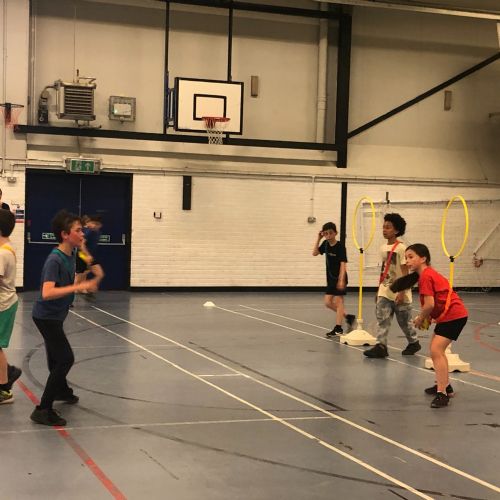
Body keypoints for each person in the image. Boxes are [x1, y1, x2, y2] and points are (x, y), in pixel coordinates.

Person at [30, 210, 101, 426]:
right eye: (78, 230)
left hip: (56, 315)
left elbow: (88, 260)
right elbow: (47, 292)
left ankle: (61, 390)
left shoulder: (72, 253)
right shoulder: (55, 259)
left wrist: (93, 265)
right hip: (46, 317)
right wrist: (78, 287)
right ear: (65, 234)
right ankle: (43, 409)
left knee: (55, 358)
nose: (83, 233)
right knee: (65, 359)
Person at [390, 244, 468, 408]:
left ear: (423, 258)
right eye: (406, 257)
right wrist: (431, 317)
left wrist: (420, 318)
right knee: (436, 351)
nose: (407, 261)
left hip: (454, 316)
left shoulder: (426, 276)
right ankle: (445, 386)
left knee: (436, 351)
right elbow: (436, 301)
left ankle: (442, 394)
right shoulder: (426, 275)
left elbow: (429, 304)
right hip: (449, 316)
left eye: (411, 257)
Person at [363, 213, 421, 358]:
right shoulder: (383, 247)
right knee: (382, 320)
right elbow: (384, 269)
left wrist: (402, 292)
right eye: (383, 227)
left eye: (388, 227)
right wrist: (379, 289)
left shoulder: (402, 248)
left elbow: (405, 271)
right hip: (385, 289)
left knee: (404, 322)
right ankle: (381, 346)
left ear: (396, 230)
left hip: (400, 291)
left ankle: (414, 342)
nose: (384, 230)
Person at [313, 222, 355, 337]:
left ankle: (338, 328)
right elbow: (315, 253)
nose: (328, 235)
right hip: (331, 278)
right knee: (327, 302)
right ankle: (348, 317)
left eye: (330, 233)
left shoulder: (340, 246)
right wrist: (318, 238)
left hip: (340, 277)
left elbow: (343, 263)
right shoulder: (325, 244)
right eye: (326, 233)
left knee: (339, 301)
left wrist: (341, 280)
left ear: (335, 233)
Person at [0, 209, 22, 404]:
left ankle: (4, 388)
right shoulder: (6, 247)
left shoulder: (2, 253)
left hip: (3, 305)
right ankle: (8, 373)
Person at [74, 214, 104, 298]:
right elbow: (82, 245)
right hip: (82, 255)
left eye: (96, 224)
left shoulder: (97, 232)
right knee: (81, 274)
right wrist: (87, 255)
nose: (94, 225)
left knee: (97, 273)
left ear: (100, 225)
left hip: (90, 256)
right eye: (92, 223)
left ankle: (86, 288)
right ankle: (73, 293)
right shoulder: (88, 232)